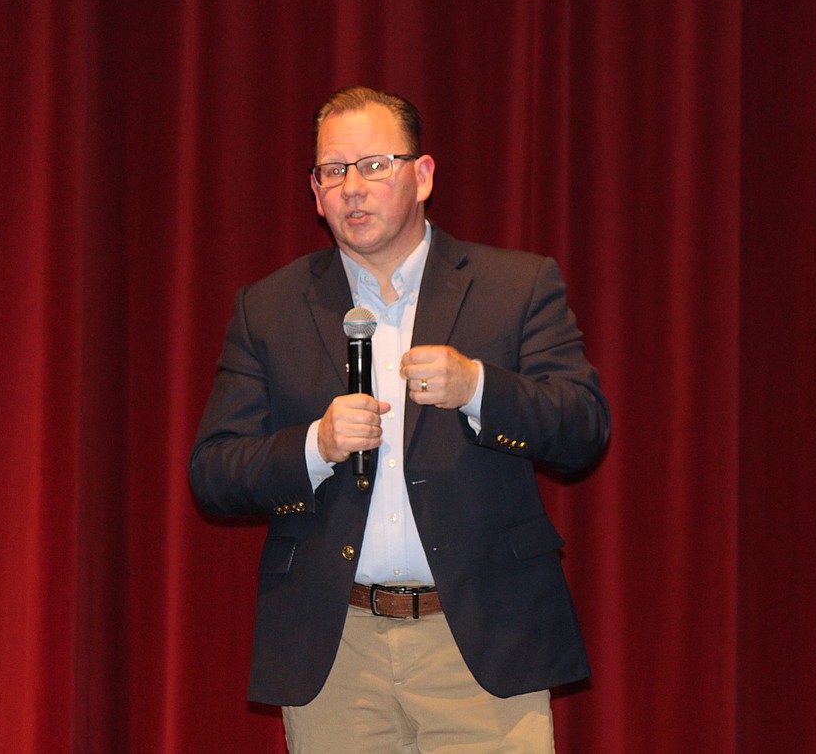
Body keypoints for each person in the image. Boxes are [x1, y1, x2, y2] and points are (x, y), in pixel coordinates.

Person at [189, 85, 610, 752]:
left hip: (481, 640)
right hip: (338, 645)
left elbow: (583, 428)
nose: (353, 188)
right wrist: (314, 445)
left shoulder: (514, 287)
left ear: (422, 175)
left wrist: (478, 386)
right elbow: (214, 470)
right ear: (315, 191)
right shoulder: (269, 309)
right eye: (334, 171)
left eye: (375, 165)